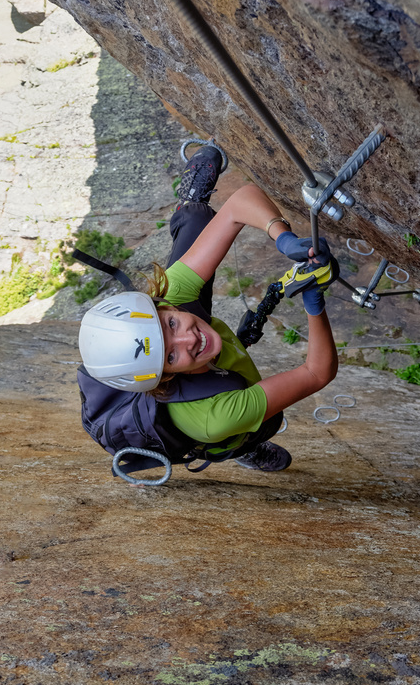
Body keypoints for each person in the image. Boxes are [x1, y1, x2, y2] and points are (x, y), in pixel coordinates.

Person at [78, 144, 338, 471]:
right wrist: (315, 304)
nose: (189, 340)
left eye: (170, 325)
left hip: (191, 349)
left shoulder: (171, 303)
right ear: (164, 379)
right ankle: (245, 448)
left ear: (161, 306)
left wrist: (281, 237)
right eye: (170, 356)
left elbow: (239, 203)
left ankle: (190, 203)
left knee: (195, 230)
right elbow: (316, 373)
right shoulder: (213, 416)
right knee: (263, 421)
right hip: (216, 421)